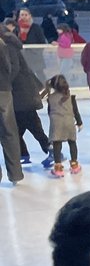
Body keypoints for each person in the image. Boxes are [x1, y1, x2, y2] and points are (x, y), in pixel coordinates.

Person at [5, 28, 51, 167]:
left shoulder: (8, 47)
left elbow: (13, 70)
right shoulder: (9, 46)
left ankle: (52, 151)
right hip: (21, 96)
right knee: (18, 130)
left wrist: (4, 82)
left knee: (33, 128)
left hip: (22, 97)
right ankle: (24, 155)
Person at [41, 74, 81, 177]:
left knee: (57, 144)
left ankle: (58, 167)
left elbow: (49, 112)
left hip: (56, 123)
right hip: (69, 122)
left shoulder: (50, 98)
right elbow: (75, 111)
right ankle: (74, 165)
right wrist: (79, 122)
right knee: (72, 142)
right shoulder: (70, 97)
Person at [0, 27, 22, 184]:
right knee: (9, 132)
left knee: (9, 132)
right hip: (4, 89)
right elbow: (11, 68)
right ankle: (15, 174)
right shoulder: (6, 44)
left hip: (3, 89)